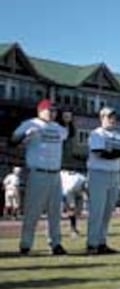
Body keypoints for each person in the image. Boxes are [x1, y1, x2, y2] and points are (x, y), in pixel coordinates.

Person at [10, 98, 69, 255]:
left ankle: (55, 243)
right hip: (38, 172)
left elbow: (69, 135)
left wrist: (69, 121)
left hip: (55, 174)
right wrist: (25, 135)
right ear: (40, 110)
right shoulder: (31, 123)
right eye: (49, 110)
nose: (52, 113)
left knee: (55, 212)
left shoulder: (58, 128)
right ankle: (26, 244)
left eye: (55, 111)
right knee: (33, 211)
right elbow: (13, 140)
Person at [86, 107, 120, 255]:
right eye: (108, 117)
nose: (111, 120)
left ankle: (101, 242)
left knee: (107, 212)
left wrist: (113, 152)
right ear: (101, 118)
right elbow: (100, 153)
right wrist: (118, 153)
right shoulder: (96, 134)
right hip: (98, 173)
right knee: (96, 211)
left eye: (113, 117)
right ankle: (92, 244)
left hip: (114, 174)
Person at [60, 168, 87, 237]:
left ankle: (73, 228)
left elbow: (85, 188)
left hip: (77, 191)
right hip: (68, 191)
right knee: (72, 209)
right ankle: (73, 229)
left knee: (77, 212)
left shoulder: (81, 177)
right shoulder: (62, 174)